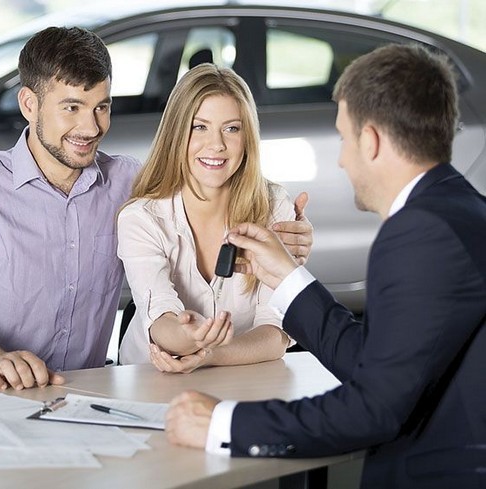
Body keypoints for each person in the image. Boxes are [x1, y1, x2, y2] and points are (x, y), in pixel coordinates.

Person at [0, 27, 314, 394]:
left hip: (76, 401)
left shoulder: (132, 186)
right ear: (29, 104)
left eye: (102, 106)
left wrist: (294, 242)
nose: (91, 127)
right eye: (72, 107)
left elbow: (208, 186)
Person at [164, 44, 486, 488]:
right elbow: (374, 362)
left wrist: (223, 424)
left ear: (370, 141)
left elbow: (373, 409)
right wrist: (286, 275)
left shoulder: (420, 232)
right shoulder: (462, 210)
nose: (341, 159)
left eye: (344, 138)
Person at [117, 64, 301, 369]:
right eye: (199, 127)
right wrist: (186, 335)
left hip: (241, 379)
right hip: (151, 377)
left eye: (231, 128)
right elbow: (160, 318)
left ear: (247, 138)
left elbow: (276, 332)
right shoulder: (142, 218)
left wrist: (207, 356)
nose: (216, 145)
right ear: (177, 134)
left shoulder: (274, 207)